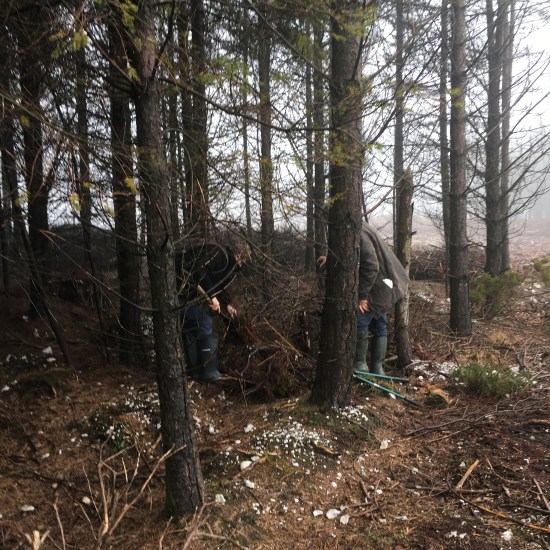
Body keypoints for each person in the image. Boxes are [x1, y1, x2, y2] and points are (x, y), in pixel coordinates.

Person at [318, 221, 409, 375]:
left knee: (361, 322)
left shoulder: (357, 230)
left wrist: (362, 296)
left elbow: (371, 265)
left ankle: (361, 366)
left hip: (378, 286)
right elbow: (351, 254)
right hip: (384, 285)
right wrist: (331, 259)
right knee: (379, 325)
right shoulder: (357, 225)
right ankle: (377, 369)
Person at [175, 240, 247, 382]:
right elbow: (199, 270)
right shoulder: (218, 254)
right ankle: (208, 372)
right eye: (242, 261)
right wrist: (212, 297)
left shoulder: (226, 265)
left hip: (182, 295)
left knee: (191, 330)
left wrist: (227, 304)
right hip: (176, 292)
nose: (241, 265)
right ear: (238, 255)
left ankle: (195, 373)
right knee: (204, 322)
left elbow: (216, 285)